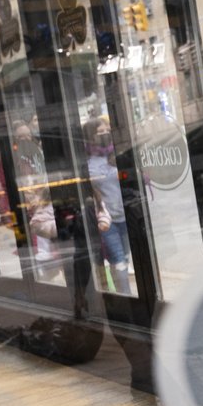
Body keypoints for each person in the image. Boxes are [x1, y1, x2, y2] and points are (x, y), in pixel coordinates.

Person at [83, 117, 132, 295]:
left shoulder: (116, 154)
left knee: (122, 258)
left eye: (107, 131)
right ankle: (127, 296)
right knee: (119, 259)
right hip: (107, 218)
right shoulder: (88, 163)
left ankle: (119, 295)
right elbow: (90, 190)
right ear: (90, 136)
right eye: (100, 132)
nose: (105, 135)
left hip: (124, 214)